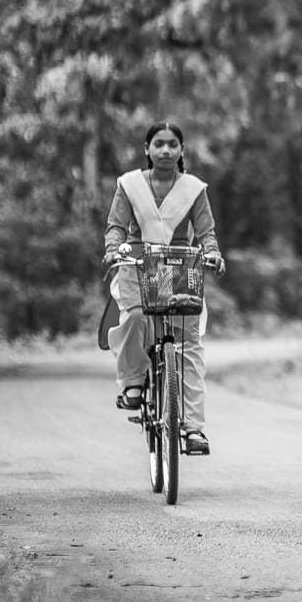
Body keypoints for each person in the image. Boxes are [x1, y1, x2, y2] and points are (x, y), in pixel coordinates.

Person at [101, 122, 226, 456]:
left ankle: (194, 429)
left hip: (178, 267)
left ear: (182, 150)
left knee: (188, 345)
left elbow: (206, 232)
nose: (166, 150)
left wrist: (212, 253)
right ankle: (133, 383)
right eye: (159, 144)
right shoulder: (128, 185)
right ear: (147, 148)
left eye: (173, 144)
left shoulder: (194, 189)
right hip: (137, 265)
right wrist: (113, 249)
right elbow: (116, 226)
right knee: (136, 319)